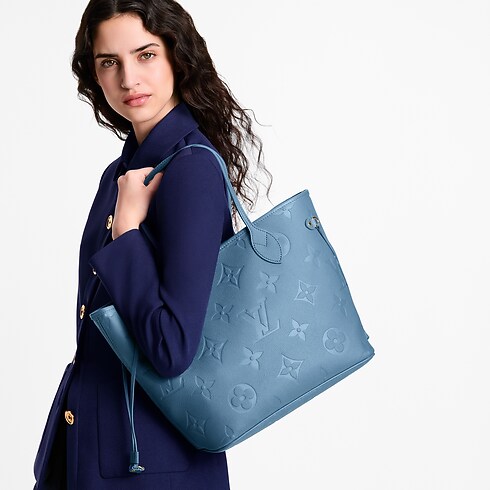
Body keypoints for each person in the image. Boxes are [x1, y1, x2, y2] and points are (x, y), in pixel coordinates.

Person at [33, 0, 272, 488]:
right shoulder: (122, 172)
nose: (128, 79)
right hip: (96, 449)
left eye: (145, 55)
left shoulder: (190, 168)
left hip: (148, 465)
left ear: (176, 56)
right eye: (109, 62)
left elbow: (171, 348)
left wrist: (126, 233)